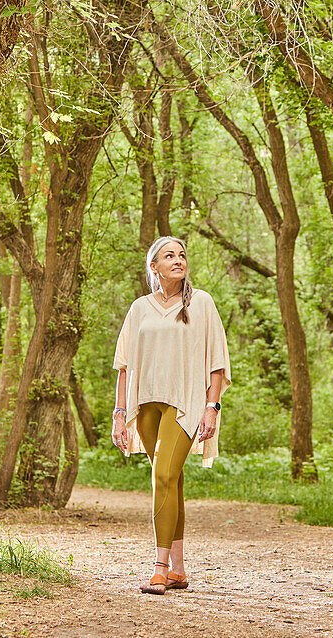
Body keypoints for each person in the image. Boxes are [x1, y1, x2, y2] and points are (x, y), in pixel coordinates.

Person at [111, 236, 231, 595]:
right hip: (146, 404)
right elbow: (123, 366)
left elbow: (216, 361)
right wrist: (120, 414)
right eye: (169, 255)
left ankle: (160, 568)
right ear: (154, 267)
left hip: (186, 404)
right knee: (171, 480)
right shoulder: (139, 309)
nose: (178, 260)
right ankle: (178, 569)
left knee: (162, 475)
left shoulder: (201, 304)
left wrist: (212, 406)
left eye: (182, 255)